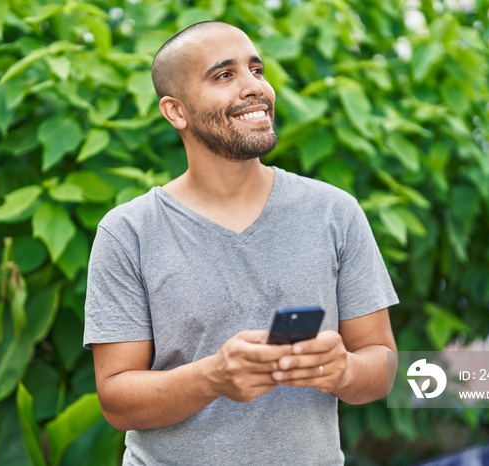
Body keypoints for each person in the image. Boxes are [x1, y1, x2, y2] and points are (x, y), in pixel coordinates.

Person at [84, 20, 399, 465]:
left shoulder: (335, 212)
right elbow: (116, 400)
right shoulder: (128, 232)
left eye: (257, 70)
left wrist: (344, 370)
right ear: (176, 112)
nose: (254, 87)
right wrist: (212, 377)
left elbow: (382, 364)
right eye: (224, 75)